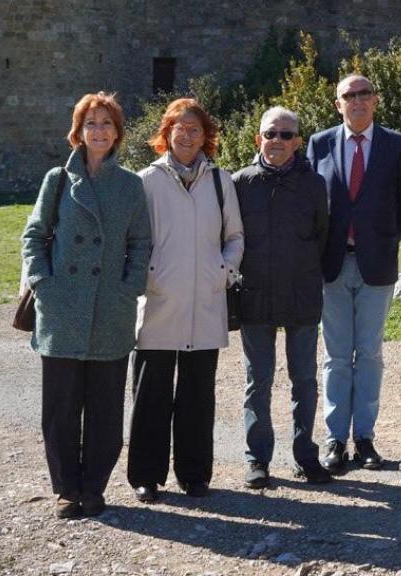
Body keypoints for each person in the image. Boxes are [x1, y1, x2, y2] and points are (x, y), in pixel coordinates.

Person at [20, 92, 152, 519]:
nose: (99, 131)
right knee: (60, 409)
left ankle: (94, 487)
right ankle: (65, 489)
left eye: (107, 124)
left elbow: (140, 244)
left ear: (117, 133)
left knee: (105, 410)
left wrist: (128, 289)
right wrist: (43, 283)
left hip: (109, 310)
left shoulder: (131, 185)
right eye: (91, 123)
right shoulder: (56, 179)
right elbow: (34, 236)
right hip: (61, 310)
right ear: (78, 131)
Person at [128, 98, 244, 503]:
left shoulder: (219, 180)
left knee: (198, 395)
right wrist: (149, 276)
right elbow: (135, 240)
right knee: (151, 394)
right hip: (160, 301)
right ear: (167, 133)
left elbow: (234, 237)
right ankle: (146, 476)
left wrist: (223, 271)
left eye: (196, 129)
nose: (188, 136)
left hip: (206, 301)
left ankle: (194, 475)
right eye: (181, 128)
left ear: (205, 135)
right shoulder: (146, 180)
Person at [308, 74, 401, 473]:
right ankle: (335, 439)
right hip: (332, 264)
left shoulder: (398, 145)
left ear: (376, 100)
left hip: (377, 264)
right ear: (338, 104)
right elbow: (312, 202)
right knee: (336, 356)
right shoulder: (318, 144)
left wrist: (386, 237)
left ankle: (365, 438)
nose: (357, 100)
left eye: (364, 93)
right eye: (348, 95)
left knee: (369, 354)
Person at [233, 106, 333, 488]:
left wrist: (308, 276)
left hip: (302, 295)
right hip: (255, 295)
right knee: (257, 381)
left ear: (298, 142)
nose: (278, 141)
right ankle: (257, 459)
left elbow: (322, 236)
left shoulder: (314, 185)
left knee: (304, 379)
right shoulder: (239, 183)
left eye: (286, 135)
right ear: (258, 138)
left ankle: (305, 455)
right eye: (271, 134)